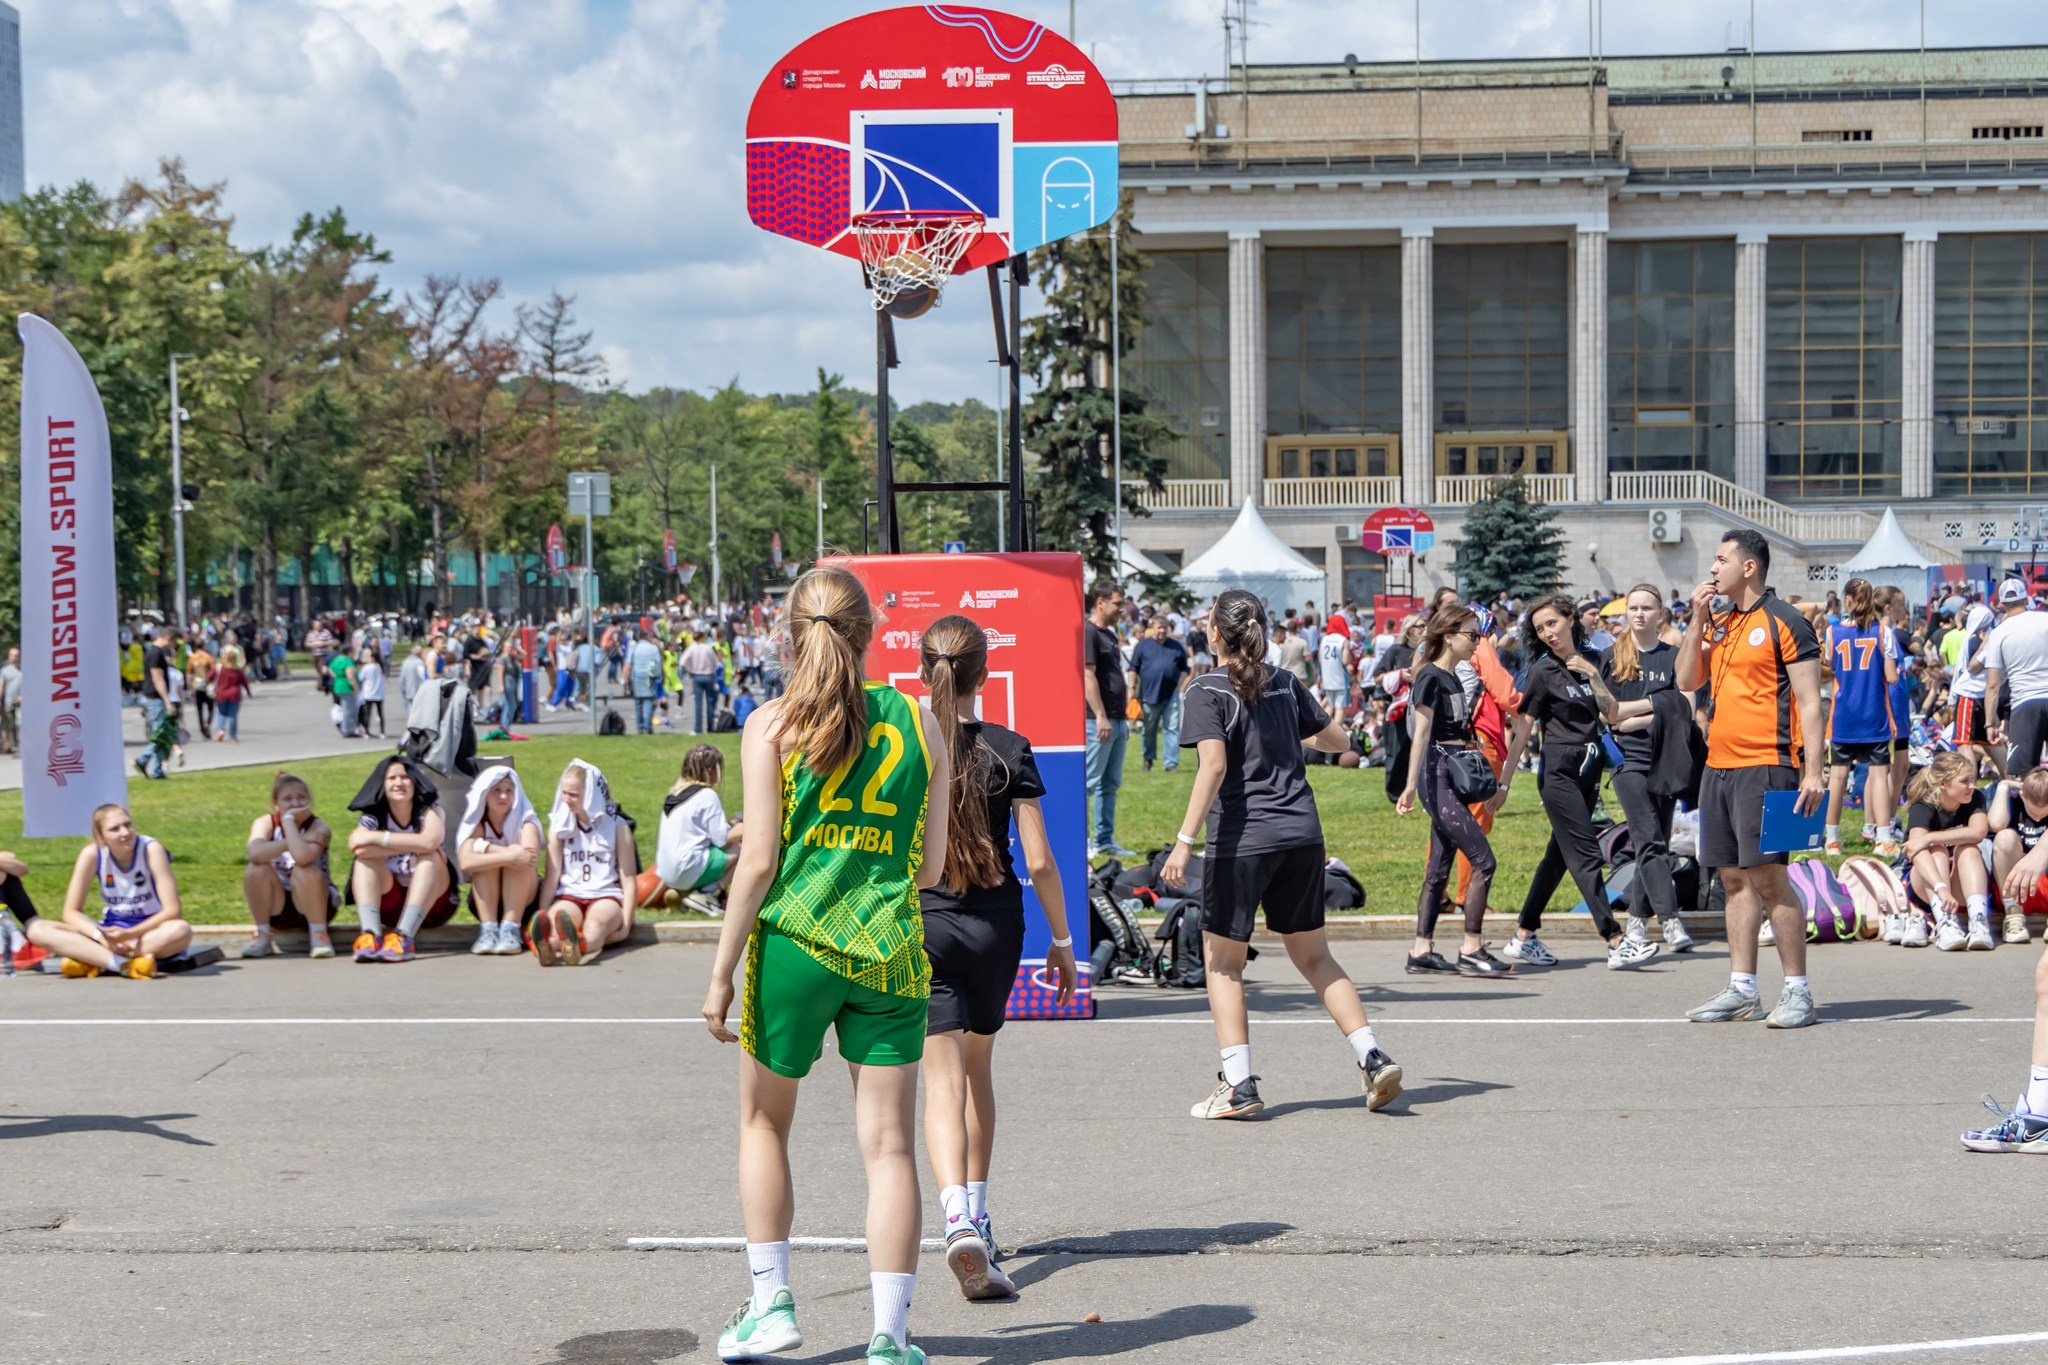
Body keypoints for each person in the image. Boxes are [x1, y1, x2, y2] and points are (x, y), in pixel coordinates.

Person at [700, 565, 951, 1365]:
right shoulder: (921, 722)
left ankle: (771, 1299)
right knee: (890, 1148)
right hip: (888, 948)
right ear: (870, 631)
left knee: (763, 1122)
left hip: (796, 946)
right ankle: (890, 1335)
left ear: (787, 633)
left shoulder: (770, 724)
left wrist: (720, 969)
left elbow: (759, 860)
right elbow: (933, 867)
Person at [1167, 589, 1403, 1118]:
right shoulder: (1284, 682)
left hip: (1241, 840)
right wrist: (1290, 739)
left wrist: (1184, 842)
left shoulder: (1205, 688)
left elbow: (1213, 767)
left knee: (1223, 965)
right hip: (1302, 833)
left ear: (1214, 632)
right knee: (1315, 955)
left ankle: (1238, 1084)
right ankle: (1371, 1054)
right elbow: (1338, 739)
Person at [915, 614, 1076, 1299]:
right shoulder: (1009, 747)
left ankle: (955, 1218)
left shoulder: (905, 746)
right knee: (978, 1068)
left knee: (940, 1078)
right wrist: (1064, 943)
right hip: (996, 924)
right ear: (983, 676)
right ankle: (978, 1210)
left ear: (925, 674)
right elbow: (1038, 860)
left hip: (925, 919)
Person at [1675, 529, 1825, 1028]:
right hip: (1718, 766)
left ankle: (1798, 992)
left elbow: (1809, 701)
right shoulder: (1719, 621)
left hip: (1768, 764)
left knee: (1768, 877)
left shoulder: (1786, 621)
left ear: (1749, 567)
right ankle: (1742, 989)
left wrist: (1814, 771)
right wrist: (1697, 618)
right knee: (1733, 878)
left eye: (1721, 560)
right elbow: (1686, 680)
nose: (1712, 568)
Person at [1501, 596, 1660, 971]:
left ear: (1570, 620)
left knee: (1559, 856)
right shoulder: (1543, 672)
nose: (1548, 633)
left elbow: (1611, 712)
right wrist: (1504, 783)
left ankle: (1523, 934)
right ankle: (1615, 939)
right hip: (1559, 770)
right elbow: (1523, 729)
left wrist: (1592, 675)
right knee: (1586, 853)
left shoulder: (1596, 661)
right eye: (1540, 629)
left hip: (1590, 768)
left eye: (1552, 624)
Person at [1396, 608, 1514, 977]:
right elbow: (1421, 733)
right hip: (1437, 772)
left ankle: (1421, 951)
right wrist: (1411, 785)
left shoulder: (1451, 679)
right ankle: (1472, 948)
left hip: (1451, 770)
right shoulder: (1430, 675)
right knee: (1483, 860)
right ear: (1449, 635)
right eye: (1471, 635)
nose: (1477, 641)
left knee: (1438, 869)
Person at [1600, 584, 1696, 953]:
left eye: (1646, 608)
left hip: (1667, 757)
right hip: (1627, 761)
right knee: (1650, 840)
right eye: (1633, 608)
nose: (1639, 614)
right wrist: (1658, 707)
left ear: (1661, 614)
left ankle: (1637, 924)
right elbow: (1608, 714)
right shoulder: (1611, 657)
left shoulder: (1674, 656)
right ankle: (1670, 921)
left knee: (1652, 843)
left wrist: (1636, 715)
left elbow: (1684, 709)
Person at [53, 804, 194, 978]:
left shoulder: (151, 849)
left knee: (181, 930)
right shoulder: (92, 854)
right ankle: (124, 963)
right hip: (111, 933)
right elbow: (71, 912)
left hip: (149, 932)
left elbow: (173, 910)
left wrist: (129, 934)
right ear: (101, 837)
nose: (125, 833)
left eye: (128, 825)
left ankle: (97, 959)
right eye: (115, 829)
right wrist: (100, 937)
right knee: (39, 930)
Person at [1818, 578, 1901, 858]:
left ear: (1849, 601)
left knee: (1837, 778)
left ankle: (1831, 839)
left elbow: (1830, 667)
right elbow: (1891, 677)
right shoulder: (1883, 633)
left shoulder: (1833, 632)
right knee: (1879, 777)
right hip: (1874, 714)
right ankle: (1883, 838)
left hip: (1843, 716)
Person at [345, 756, 455, 964]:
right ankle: (370, 935)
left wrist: (380, 839)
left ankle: (404, 937)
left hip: (433, 905)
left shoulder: (429, 811)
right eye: (392, 778)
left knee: (429, 857)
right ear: (382, 784)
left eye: (405, 777)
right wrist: (415, 845)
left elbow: (430, 842)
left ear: (414, 782)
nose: (399, 783)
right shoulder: (375, 816)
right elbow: (357, 845)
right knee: (363, 861)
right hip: (391, 900)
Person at [535, 759, 638, 967]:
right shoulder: (559, 827)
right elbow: (551, 879)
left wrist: (626, 925)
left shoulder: (617, 827)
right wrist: (542, 913)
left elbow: (629, 881)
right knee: (559, 917)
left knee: (596, 923)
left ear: (591, 795)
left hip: (605, 895)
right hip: (570, 893)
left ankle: (578, 947)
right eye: (564, 793)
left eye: (573, 795)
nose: (567, 799)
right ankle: (544, 943)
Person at [1899, 751, 1995, 952]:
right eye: (1964, 781)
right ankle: (1946, 923)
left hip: (1960, 887)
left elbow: (1978, 832)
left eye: (1972, 780)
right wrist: (1941, 888)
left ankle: (1978, 922)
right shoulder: (1923, 806)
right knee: (1937, 851)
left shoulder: (1975, 798)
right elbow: (1916, 851)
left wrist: (1930, 837)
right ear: (1943, 784)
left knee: (1968, 849)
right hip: (1927, 886)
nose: (1972, 786)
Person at [240, 772, 337, 959]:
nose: (295, 803)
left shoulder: (318, 827)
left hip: (314, 904)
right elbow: (255, 853)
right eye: (288, 799)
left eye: (302, 797)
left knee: (305, 869)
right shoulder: (265, 822)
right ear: (275, 804)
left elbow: (302, 857)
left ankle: (319, 936)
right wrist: (292, 840)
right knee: (255, 869)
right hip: (277, 906)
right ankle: (262, 935)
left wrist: (289, 821)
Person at [455, 765, 545, 956]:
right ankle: (488, 931)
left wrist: (484, 847)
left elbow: (529, 857)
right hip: (487, 901)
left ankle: (510, 930)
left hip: (524, 901)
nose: (503, 796)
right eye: (496, 790)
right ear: (485, 794)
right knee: (490, 862)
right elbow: (465, 862)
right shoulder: (478, 824)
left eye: (509, 791)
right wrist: (509, 854)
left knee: (517, 864)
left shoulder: (526, 823)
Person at [656, 744, 743, 915]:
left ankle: (682, 894)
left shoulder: (674, 794)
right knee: (745, 848)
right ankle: (709, 892)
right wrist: (743, 828)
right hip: (689, 867)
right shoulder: (707, 795)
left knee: (710, 852)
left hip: (666, 872)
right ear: (711, 770)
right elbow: (721, 840)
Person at [1082, 579, 1133, 860]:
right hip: (1096, 721)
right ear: (1100, 602)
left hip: (1116, 719)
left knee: (1110, 783)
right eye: (1117, 603)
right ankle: (1084, 840)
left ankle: (1105, 839)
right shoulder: (1088, 632)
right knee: (1089, 783)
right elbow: (1087, 675)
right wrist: (1100, 716)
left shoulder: (1110, 635)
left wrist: (1120, 719)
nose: (1121, 609)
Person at [1984, 577, 2048, 775]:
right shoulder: (2045, 619)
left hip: (2024, 703)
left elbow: (1993, 685)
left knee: (2022, 773)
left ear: (2001, 605)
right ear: (2027, 599)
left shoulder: (1998, 633)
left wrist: (1990, 723)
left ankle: (2028, 806)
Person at [1988, 769, 2046, 948]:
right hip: (2013, 884)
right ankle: (2013, 915)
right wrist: (2004, 786)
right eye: (2033, 812)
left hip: (2044, 883)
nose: (2037, 818)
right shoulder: (2013, 801)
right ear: (2022, 794)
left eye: (2044, 814)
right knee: (2005, 837)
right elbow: (1996, 824)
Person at [1949, 591, 2002, 780]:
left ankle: (1968, 782)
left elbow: (1971, 667)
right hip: (1985, 696)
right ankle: (2010, 777)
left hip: (1969, 695)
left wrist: (1984, 645)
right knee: (1991, 742)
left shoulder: (1977, 640)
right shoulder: (1988, 639)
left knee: (1964, 743)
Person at [1128, 614, 1189, 774]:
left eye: (1164, 627)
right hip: (1149, 694)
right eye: (1159, 627)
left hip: (1172, 695)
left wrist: (1180, 686)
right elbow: (1133, 668)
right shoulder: (1142, 645)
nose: (1162, 630)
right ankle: (1148, 759)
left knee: (1172, 728)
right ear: (1152, 628)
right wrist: (1131, 688)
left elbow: (1185, 668)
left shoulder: (1176, 646)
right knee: (1149, 729)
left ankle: (1171, 763)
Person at [135, 624, 175, 781]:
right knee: (159, 735)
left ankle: (157, 770)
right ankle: (143, 759)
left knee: (162, 734)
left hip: (153, 698)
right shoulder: (155, 654)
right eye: (173, 643)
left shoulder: (153, 652)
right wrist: (167, 701)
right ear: (168, 638)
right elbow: (157, 678)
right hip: (155, 699)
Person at [630, 630, 664, 734]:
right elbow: (659, 661)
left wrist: (626, 678)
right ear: (647, 636)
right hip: (650, 675)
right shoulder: (653, 648)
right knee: (649, 700)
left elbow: (629, 663)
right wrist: (662, 675)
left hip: (637, 674)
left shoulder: (634, 648)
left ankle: (639, 726)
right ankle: (647, 725)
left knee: (638, 701)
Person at [356, 643, 389, 740]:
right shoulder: (381, 667)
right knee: (380, 713)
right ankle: (382, 732)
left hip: (369, 693)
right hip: (379, 693)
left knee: (368, 713)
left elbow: (361, 677)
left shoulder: (367, 667)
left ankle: (366, 732)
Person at [329, 645, 360, 739]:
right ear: (349, 652)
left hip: (338, 685)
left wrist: (336, 677)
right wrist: (355, 688)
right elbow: (350, 676)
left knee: (345, 708)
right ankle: (347, 730)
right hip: (346, 687)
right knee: (349, 710)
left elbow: (330, 669)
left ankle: (347, 728)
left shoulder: (337, 659)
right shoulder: (347, 661)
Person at [0, 645, 19, 755]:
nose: (15, 658)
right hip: (8, 702)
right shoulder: (4, 670)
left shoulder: (24, 669)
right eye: (13, 655)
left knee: (18, 724)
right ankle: (8, 746)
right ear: (9, 656)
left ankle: (16, 745)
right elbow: (1, 685)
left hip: (22, 703)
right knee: (7, 724)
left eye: (17, 656)